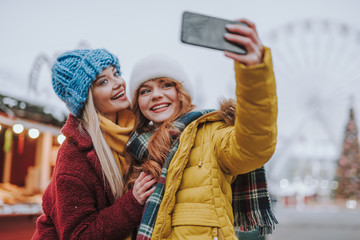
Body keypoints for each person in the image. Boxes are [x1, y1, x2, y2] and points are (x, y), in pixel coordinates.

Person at [125, 18, 278, 240]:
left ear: (182, 92)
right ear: (137, 102)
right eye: (145, 90)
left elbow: (253, 147)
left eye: (166, 85)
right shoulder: (134, 148)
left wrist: (254, 73)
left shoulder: (211, 133)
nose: (156, 94)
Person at [32, 49, 156, 240]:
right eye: (103, 81)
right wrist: (133, 201)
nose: (118, 83)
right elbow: (79, 235)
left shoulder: (140, 131)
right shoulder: (74, 158)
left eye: (116, 73)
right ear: (87, 98)